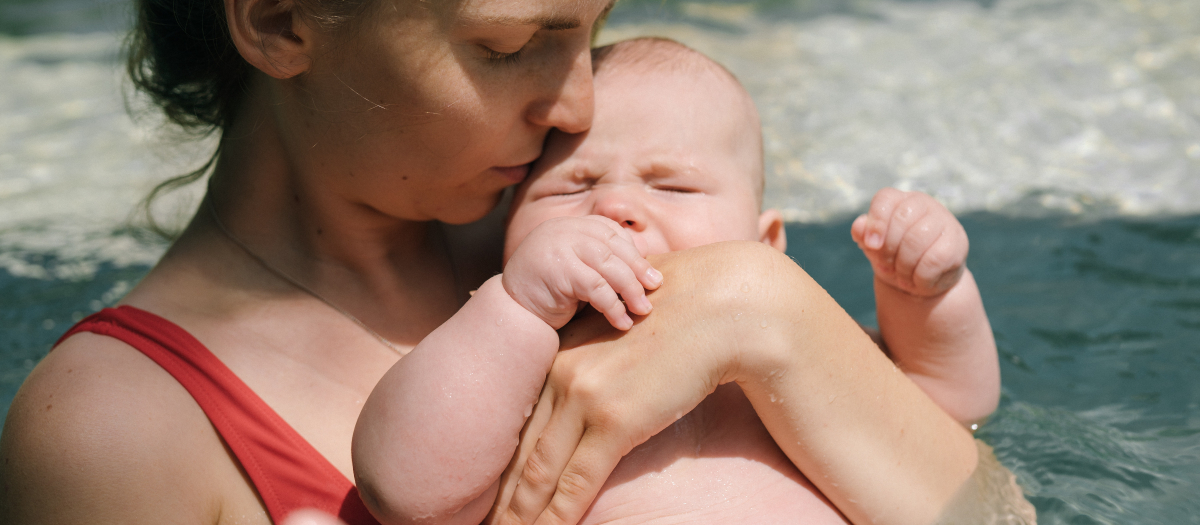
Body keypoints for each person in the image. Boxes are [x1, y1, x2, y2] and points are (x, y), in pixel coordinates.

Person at [0, 1, 1000, 524]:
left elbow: (1000, 515)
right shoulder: (115, 431)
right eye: (510, 41)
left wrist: (757, 308)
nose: (575, 107)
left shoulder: (604, 247)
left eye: (590, 34)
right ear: (279, 19)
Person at [352, 38, 1009, 525]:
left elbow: (949, 406)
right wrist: (515, 305)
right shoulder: (512, 367)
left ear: (766, 243)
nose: (615, 206)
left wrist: (926, 294)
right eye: (571, 186)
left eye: (672, 185)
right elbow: (405, 488)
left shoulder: (794, 357)